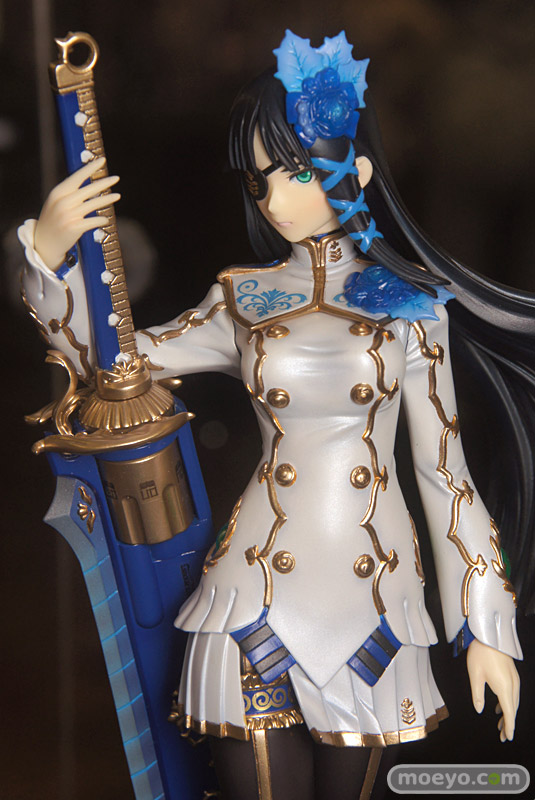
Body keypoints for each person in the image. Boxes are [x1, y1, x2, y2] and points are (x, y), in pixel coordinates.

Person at [18, 30, 528, 800]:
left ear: (356, 171)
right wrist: (49, 259)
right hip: (252, 590)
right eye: (259, 180)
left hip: (373, 601)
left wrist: (484, 624)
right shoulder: (242, 298)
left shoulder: (411, 307)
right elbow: (111, 367)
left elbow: (444, 477)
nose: (275, 201)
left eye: (297, 172)